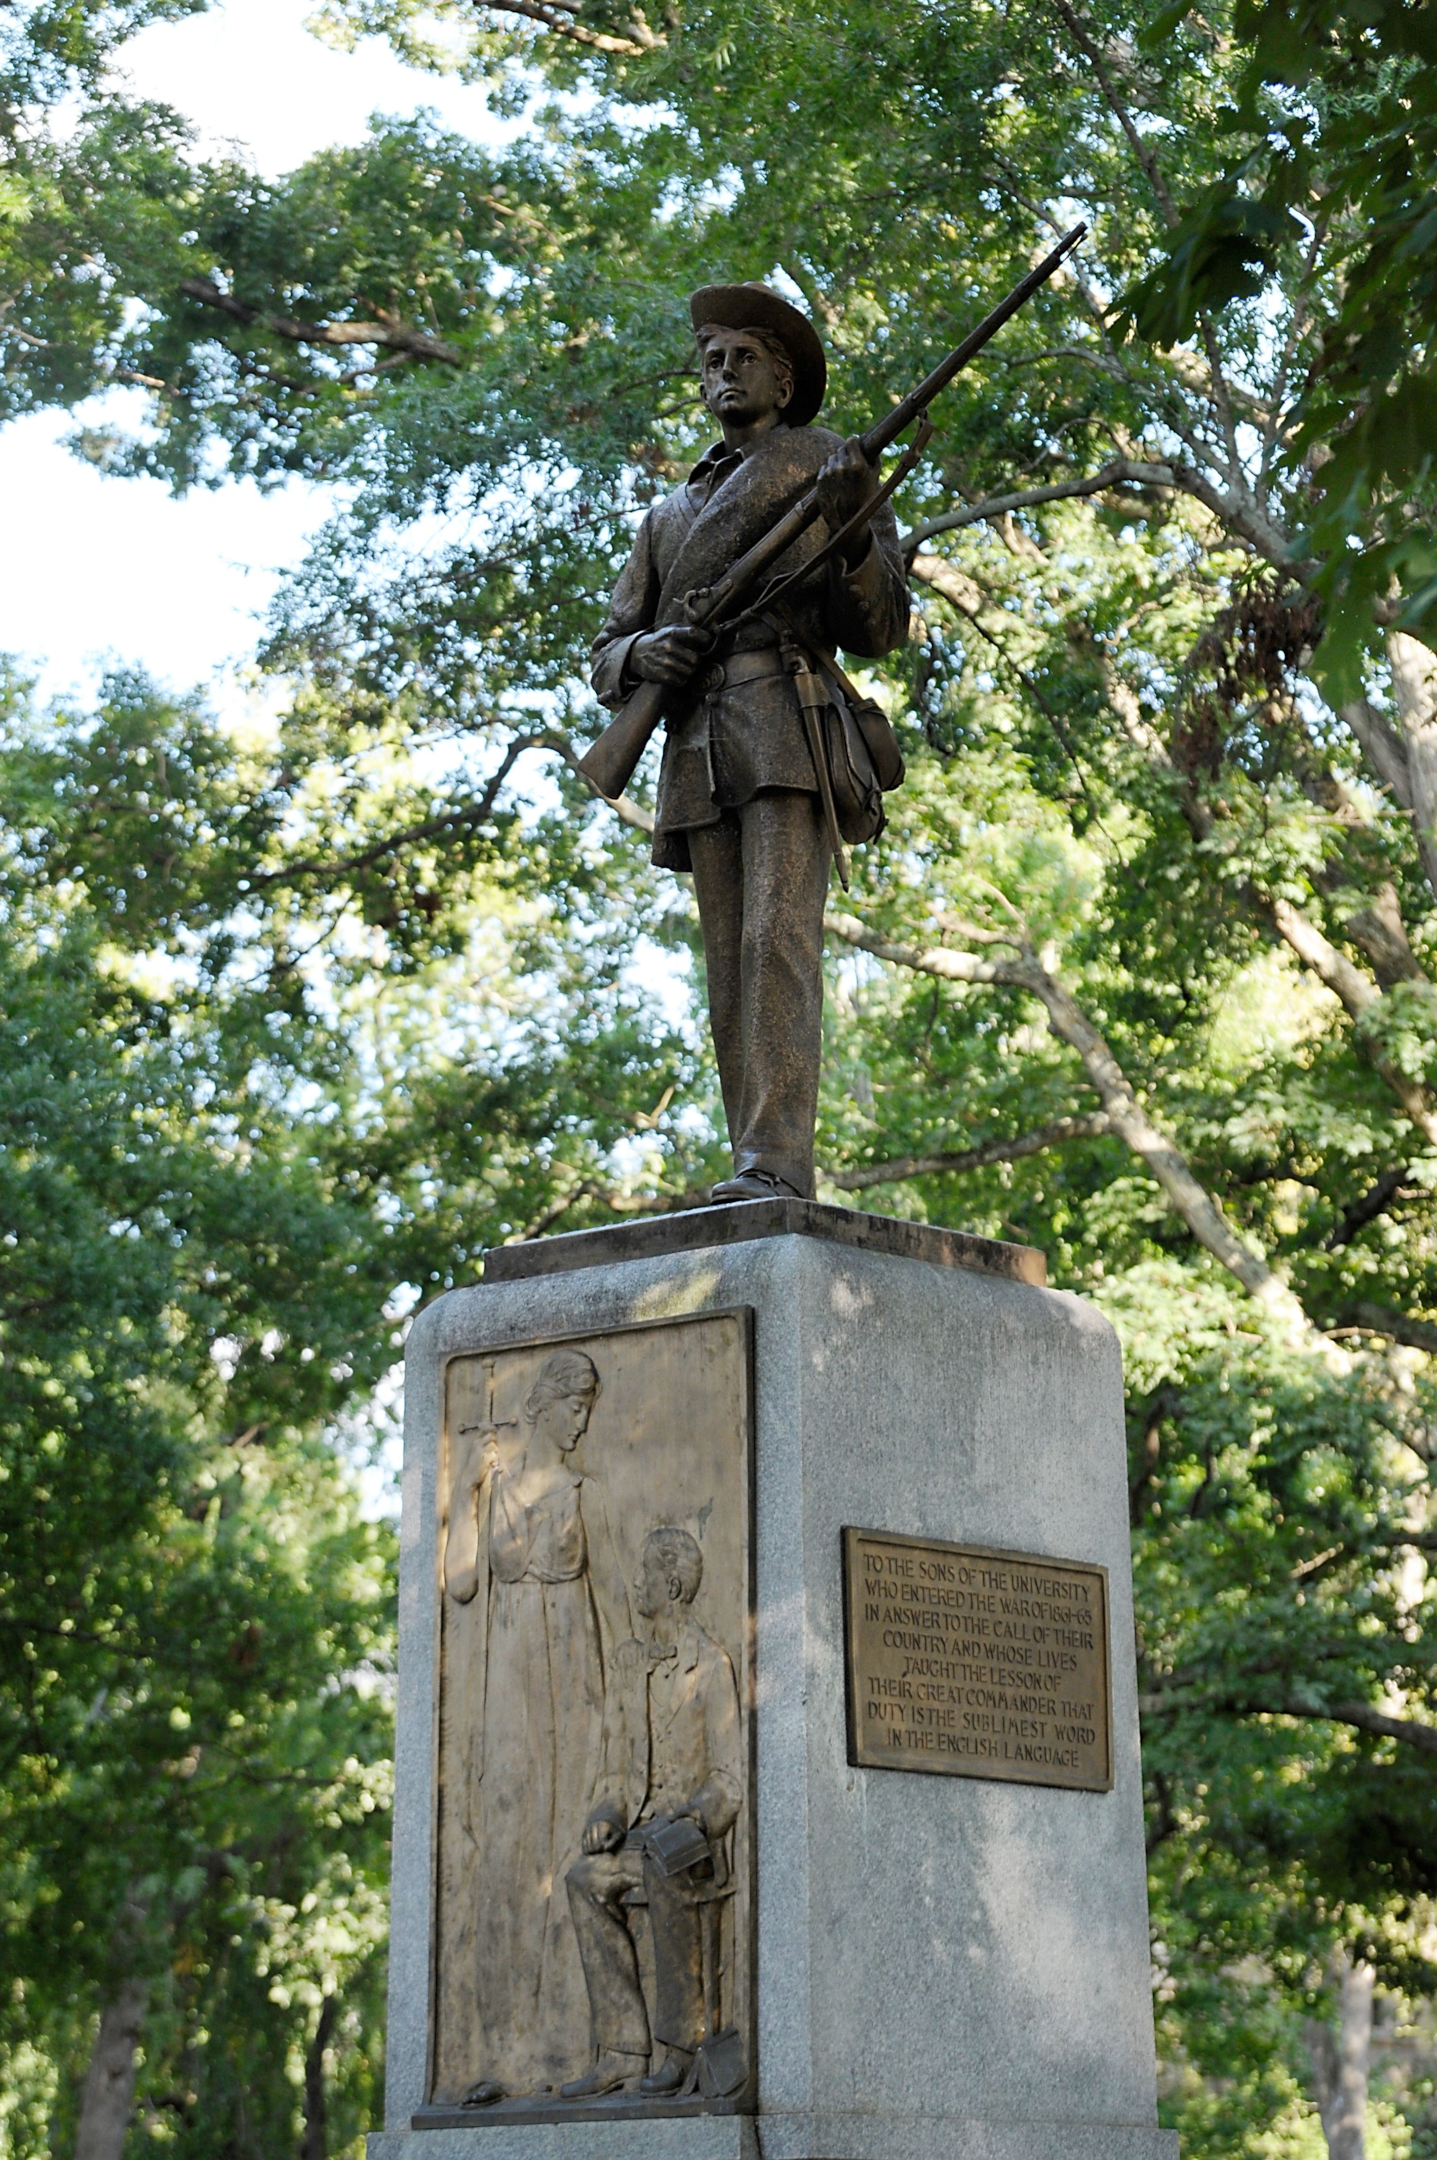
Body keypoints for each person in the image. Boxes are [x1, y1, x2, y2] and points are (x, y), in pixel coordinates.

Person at [590, 282, 909, 1205]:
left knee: (777, 941)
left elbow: (882, 624)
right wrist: (650, 649)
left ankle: (776, 1162)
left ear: (783, 376)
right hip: (695, 746)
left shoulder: (830, 471)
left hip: (786, 729)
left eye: (742, 359)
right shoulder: (665, 519)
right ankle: (749, 1161)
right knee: (728, 963)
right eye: (710, 361)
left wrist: (849, 529)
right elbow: (609, 649)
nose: (723, 374)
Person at [443, 1347, 631, 2101]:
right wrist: (464, 1492)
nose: (583, 1419)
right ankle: (499, 2054)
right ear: (542, 1406)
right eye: (572, 1405)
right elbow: (459, 1585)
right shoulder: (493, 1488)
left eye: (589, 1406)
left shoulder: (590, 1493)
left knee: (564, 1849)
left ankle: (565, 2053)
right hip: (511, 1688)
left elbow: (617, 1608)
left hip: (576, 1682)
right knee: (507, 1856)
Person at [561, 1525, 742, 2100]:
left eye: (645, 1573)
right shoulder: (629, 1664)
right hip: (640, 1840)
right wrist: (606, 1815)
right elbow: (616, 1769)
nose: (635, 1583)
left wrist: (691, 1818)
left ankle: (681, 2047)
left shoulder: (711, 1665)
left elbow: (729, 1781)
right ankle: (620, 2049)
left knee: (667, 1874)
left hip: (691, 1840)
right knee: (584, 1877)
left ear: (671, 1584)